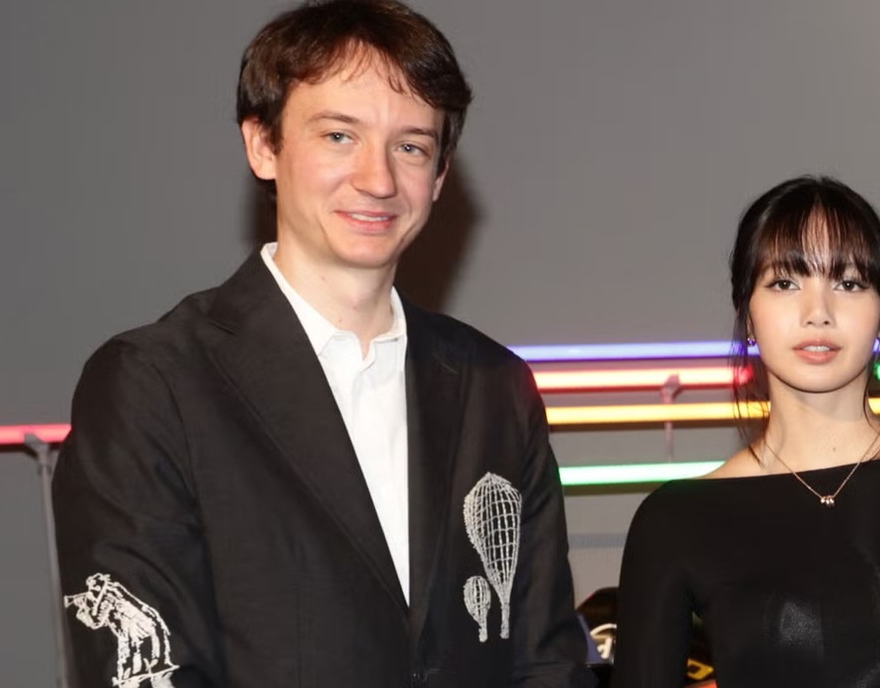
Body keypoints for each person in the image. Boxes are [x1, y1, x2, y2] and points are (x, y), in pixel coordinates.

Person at [52, 2, 594, 686]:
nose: (378, 179)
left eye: (411, 146)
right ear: (263, 145)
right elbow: (146, 667)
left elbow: (546, 659)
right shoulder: (156, 384)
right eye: (340, 136)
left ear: (440, 175)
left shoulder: (494, 386)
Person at [611, 175, 880, 687]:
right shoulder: (675, 521)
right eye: (785, 283)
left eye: (849, 283)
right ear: (747, 312)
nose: (818, 313)